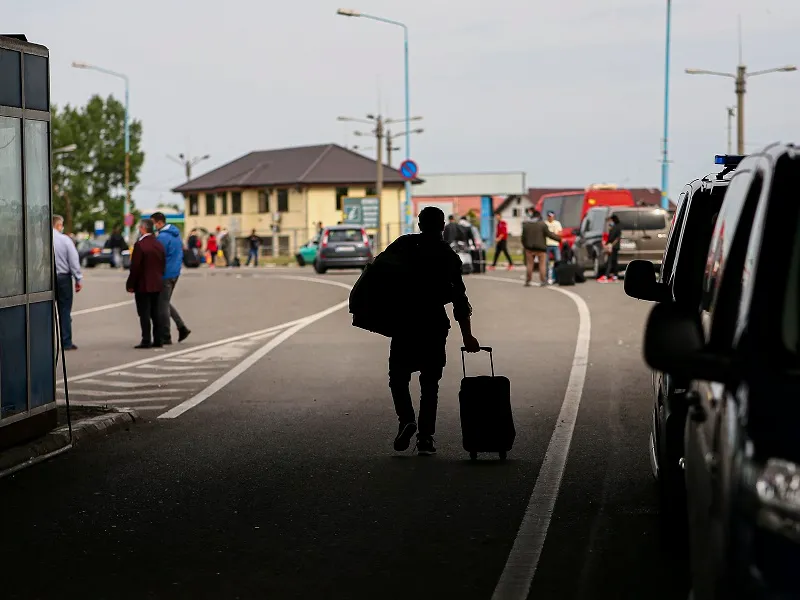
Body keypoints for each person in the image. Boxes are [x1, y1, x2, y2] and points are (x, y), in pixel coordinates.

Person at [378, 206, 481, 456]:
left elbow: (377, 273)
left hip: (404, 322)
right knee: (430, 383)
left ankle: (406, 420)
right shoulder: (447, 255)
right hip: (434, 323)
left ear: (420, 224)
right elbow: (459, 298)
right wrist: (467, 335)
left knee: (398, 377)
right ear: (442, 226)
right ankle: (425, 438)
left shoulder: (403, 245)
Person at [152, 211, 192, 344]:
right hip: (175, 272)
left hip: (165, 274)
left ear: (159, 222)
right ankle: (181, 327)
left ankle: (166, 335)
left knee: (162, 306)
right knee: (164, 302)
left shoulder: (162, 237)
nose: (153, 226)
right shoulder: (176, 235)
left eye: (153, 223)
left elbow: (157, 256)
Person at [126, 219, 165, 349]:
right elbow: (163, 263)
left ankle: (146, 339)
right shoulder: (158, 244)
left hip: (143, 284)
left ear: (143, 229)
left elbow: (135, 267)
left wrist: (130, 284)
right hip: (157, 283)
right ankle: (158, 339)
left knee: (144, 313)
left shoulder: (140, 245)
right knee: (156, 312)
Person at [53, 215, 83, 350]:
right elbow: (73, 260)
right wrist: (78, 278)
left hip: (46, 279)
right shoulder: (65, 240)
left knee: (45, 311)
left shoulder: (41, 239)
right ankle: (66, 342)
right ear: (59, 225)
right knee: (64, 310)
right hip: (63, 278)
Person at [521, 210, 561, 287]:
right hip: (541, 248)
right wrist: (559, 239)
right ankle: (543, 281)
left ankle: (528, 281)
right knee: (542, 265)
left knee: (530, 264)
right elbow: (549, 234)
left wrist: (525, 246)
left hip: (529, 248)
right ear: (539, 217)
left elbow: (523, 238)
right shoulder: (542, 225)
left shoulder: (526, 225)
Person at [598, 214, 622, 283]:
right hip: (613, 246)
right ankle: (615, 276)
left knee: (610, 261)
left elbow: (615, 238)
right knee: (614, 261)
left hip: (613, 246)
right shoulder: (615, 226)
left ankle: (606, 276)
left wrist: (610, 245)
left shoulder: (616, 227)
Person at [545, 210, 563, 284]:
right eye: (549, 216)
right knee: (546, 262)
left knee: (558, 261)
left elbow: (560, 233)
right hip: (546, 244)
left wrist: (554, 234)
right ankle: (546, 278)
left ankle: (555, 277)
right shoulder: (545, 224)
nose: (550, 218)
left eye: (551, 216)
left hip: (555, 244)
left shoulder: (557, 223)